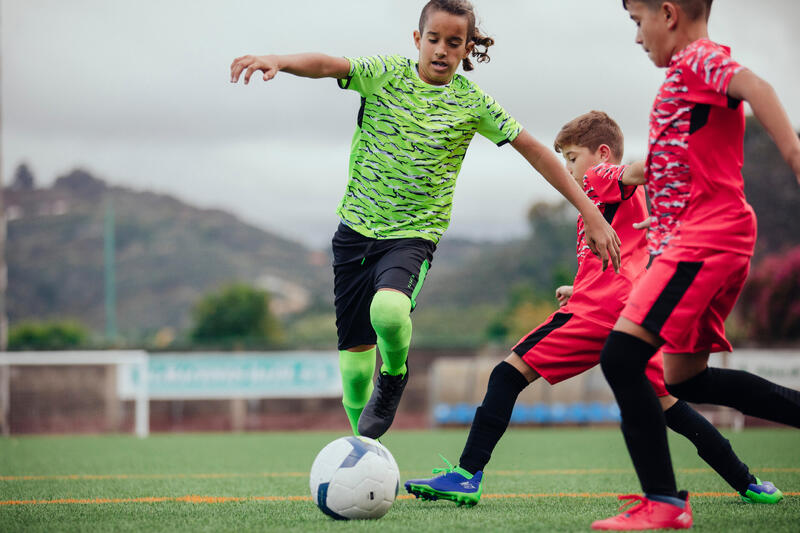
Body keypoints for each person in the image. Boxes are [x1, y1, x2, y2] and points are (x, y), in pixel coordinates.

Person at [229, 0, 621, 440]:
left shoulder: (473, 103)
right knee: (355, 371)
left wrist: (589, 210)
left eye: (454, 43)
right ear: (418, 40)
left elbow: (533, 150)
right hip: (354, 233)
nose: (441, 50)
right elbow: (326, 64)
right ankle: (361, 452)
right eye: (433, 39)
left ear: (467, 48)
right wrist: (278, 61)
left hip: (413, 236)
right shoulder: (384, 74)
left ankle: (395, 373)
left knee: (390, 310)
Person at [404, 110, 782, 508]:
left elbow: (633, 172)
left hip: (599, 310)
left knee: (505, 375)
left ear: (602, 154)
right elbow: (622, 259)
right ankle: (748, 482)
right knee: (668, 406)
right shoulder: (602, 206)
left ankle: (466, 475)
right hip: (629, 315)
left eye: (570, 156)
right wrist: (579, 286)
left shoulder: (598, 179)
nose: (566, 168)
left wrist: (673, 163)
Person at [593, 1, 800, 530]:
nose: (638, 38)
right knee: (684, 377)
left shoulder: (697, 59)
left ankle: (663, 501)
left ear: (668, 14)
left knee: (621, 355)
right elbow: (682, 154)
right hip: (706, 239)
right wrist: (640, 177)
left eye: (638, 23)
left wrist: (795, 155)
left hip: (706, 239)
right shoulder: (686, 77)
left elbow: (757, 88)